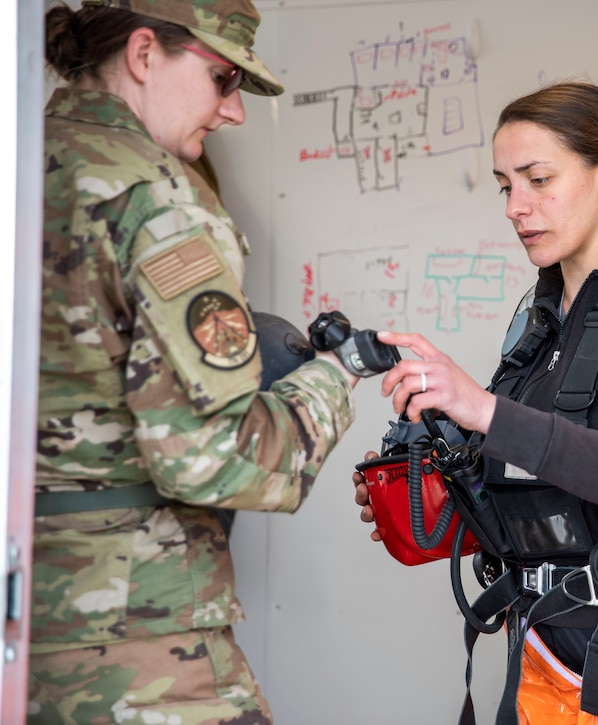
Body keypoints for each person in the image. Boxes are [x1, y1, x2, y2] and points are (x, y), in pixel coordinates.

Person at [32, 1, 364, 722]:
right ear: (144, 55)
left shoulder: (25, 161)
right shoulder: (157, 201)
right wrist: (335, 380)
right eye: (222, 79)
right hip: (137, 639)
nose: (234, 112)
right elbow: (210, 458)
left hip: (29, 623)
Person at [353, 82, 598, 723]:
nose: (516, 207)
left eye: (538, 179)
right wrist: (430, 494)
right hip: (542, 656)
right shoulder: (537, 312)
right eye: (505, 186)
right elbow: (537, 483)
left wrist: (484, 410)